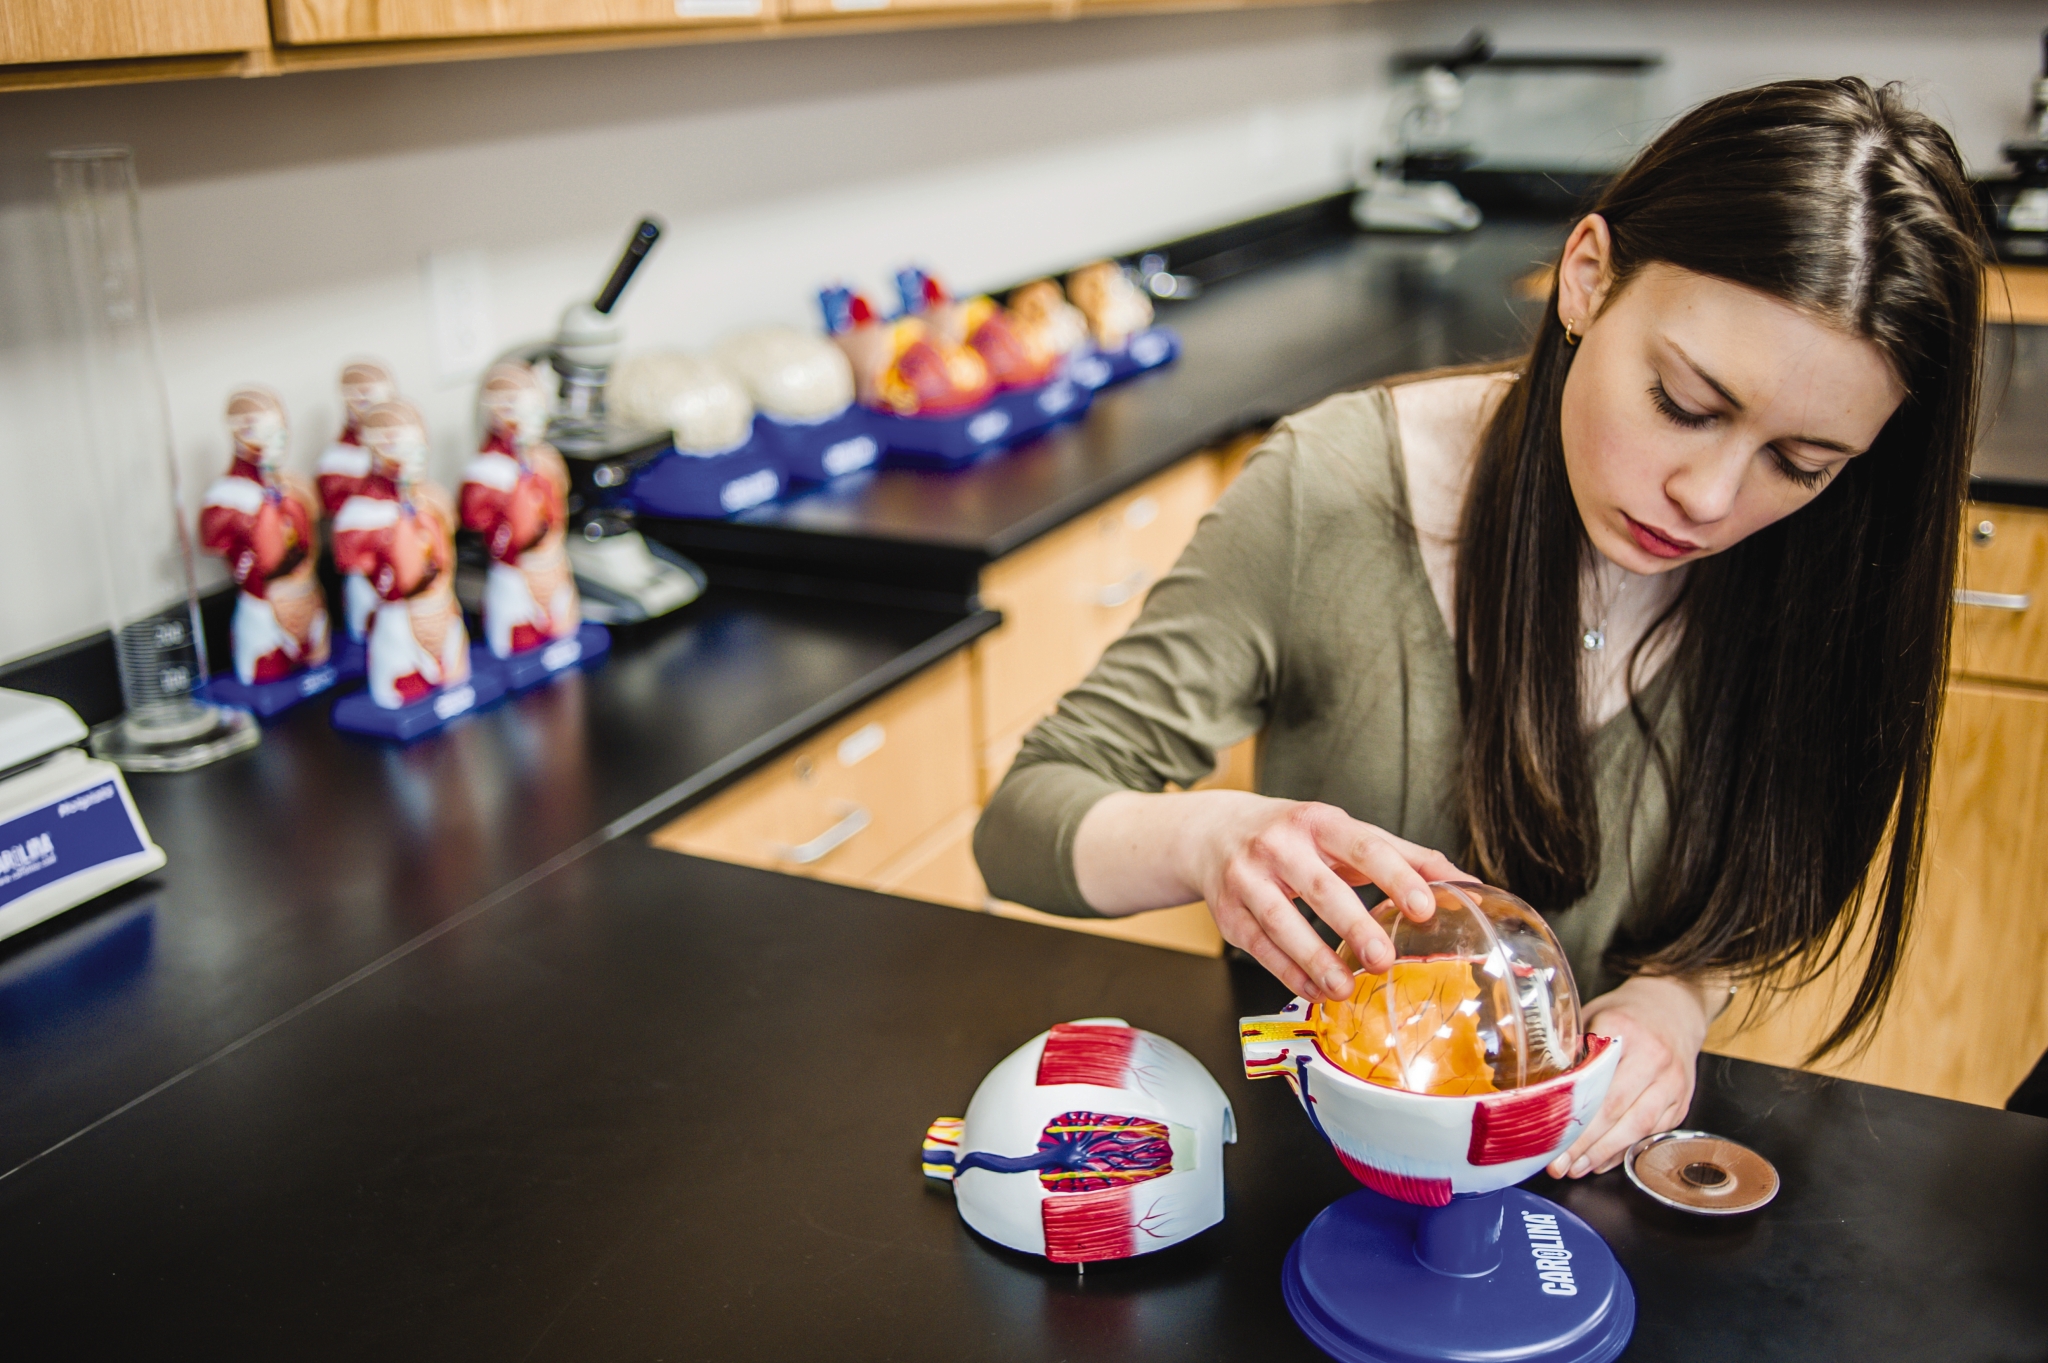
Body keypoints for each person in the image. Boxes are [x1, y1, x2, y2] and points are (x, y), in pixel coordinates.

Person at [974, 79, 1985, 1180]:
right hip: (1313, 1160)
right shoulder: (1329, 492)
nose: (1707, 495)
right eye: (1683, 404)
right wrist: (1209, 841)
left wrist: (1673, 997)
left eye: (1798, 464)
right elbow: (1021, 821)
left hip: (1582, 1176)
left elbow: (1761, 876)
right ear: (1586, 278)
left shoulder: (1823, 562)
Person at [198, 387, 331, 686]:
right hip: (263, 611)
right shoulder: (224, 499)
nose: (274, 440)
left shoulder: (296, 487)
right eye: (259, 429)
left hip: (310, 603)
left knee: (319, 665)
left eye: (278, 430)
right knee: (264, 675)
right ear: (237, 431)